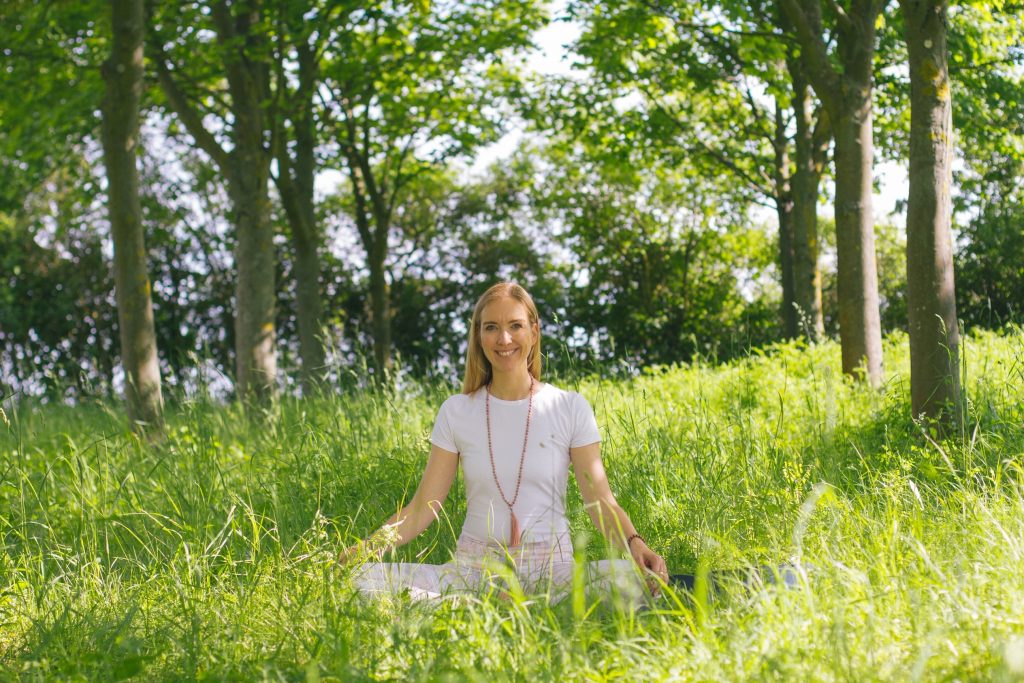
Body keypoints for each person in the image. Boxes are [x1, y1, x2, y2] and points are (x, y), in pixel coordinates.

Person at [338, 281, 669, 603]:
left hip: (553, 573)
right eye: (492, 327)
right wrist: (365, 549)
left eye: (516, 325)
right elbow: (425, 505)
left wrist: (635, 543)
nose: (504, 338)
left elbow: (599, 500)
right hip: (473, 571)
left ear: (534, 331)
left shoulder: (569, 407)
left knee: (631, 578)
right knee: (361, 581)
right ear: (479, 336)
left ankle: (477, 608)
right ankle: (478, 604)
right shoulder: (457, 411)